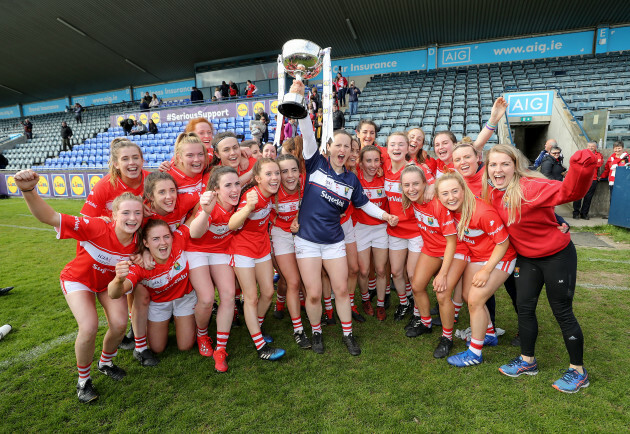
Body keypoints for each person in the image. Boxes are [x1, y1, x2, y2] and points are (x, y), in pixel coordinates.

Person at [13, 170, 143, 403]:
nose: (132, 217)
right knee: (89, 326)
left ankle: (106, 362)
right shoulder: (96, 226)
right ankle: (83, 381)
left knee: (120, 324)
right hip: (78, 279)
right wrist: (28, 190)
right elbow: (50, 217)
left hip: (107, 284)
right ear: (113, 215)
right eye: (125, 212)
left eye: (137, 213)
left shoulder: (138, 242)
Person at [289, 79, 397, 356]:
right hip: (307, 242)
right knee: (312, 293)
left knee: (340, 290)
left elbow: (365, 204)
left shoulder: (351, 179)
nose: (342, 150)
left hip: (334, 242)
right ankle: (316, 332)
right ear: (329, 147)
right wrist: (300, 99)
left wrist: (385, 214)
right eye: (338, 145)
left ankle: (348, 335)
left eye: (347, 147)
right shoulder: (316, 163)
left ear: (351, 152)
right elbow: (306, 130)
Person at [483, 144, 596, 393]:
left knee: (562, 312)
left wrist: (582, 166)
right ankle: (527, 361)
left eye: (504, 164)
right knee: (524, 309)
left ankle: (578, 371)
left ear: (516, 166)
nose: (498, 169)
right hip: (527, 259)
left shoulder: (530, 187)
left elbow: (569, 191)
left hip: (557, 256)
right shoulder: (490, 191)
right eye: (493, 164)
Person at [430, 172, 516, 366]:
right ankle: (489, 334)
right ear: (438, 196)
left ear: (463, 190)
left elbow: (503, 243)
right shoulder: (448, 209)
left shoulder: (481, 212)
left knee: (475, 300)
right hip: (477, 255)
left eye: (455, 191)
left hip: (500, 256)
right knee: (468, 296)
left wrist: (486, 270)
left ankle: (475, 353)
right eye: (445, 193)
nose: (450, 197)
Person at [108, 220, 196, 364]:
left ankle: (189, 322)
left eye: (166, 236)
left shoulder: (179, 240)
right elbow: (113, 294)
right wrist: (118, 280)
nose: (163, 243)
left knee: (185, 346)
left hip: (184, 298)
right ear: (146, 243)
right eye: (155, 239)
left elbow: (194, 215)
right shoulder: (140, 265)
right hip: (160, 303)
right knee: (157, 348)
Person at [228, 159, 287, 360]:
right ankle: (260, 347)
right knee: (251, 297)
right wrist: (248, 207)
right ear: (258, 178)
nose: (274, 178)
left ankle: (256, 327)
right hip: (242, 249)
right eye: (269, 174)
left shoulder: (272, 194)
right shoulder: (251, 196)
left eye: (276, 173)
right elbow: (232, 224)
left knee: (269, 292)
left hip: (261, 247)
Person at [187, 167, 241, 372]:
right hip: (196, 249)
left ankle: (221, 349)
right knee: (208, 298)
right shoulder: (210, 205)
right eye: (228, 185)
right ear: (216, 190)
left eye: (236, 184)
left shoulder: (239, 204)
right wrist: (206, 212)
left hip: (220, 250)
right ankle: (202, 334)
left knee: (228, 294)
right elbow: (194, 233)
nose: (234, 189)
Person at [353, 145, 389, 318]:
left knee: (381, 269)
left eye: (376, 160)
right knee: (364, 270)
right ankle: (366, 299)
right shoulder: (354, 178)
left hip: (381, 227)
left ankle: (381, 303)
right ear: (361, 163)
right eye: (368, 160)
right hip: (360, 227)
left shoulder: (385, 178)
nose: (373, 165)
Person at [82, 138, 148, 219]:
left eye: (135, 157)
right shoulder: (103, 186)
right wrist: (99, 222)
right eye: (125, 159)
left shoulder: (154, 180)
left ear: (142, 160)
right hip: (113, 231)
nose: (131, 162)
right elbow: (86, 221)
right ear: (116, 164)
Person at [573, 141, 603, 219]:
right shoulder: (581, 153)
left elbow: (599, 164)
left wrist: (586, 163)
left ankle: (584, 214)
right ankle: (576, 213)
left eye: (592, 146)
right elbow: (578, 163)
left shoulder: (599, 155)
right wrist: (592, 162)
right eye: (589, 146)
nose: (590, 147)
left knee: (588, 198)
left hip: (592, 179)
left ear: (595, 147)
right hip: (581, 178)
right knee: (577, 196)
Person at [600, 140, 628, 205]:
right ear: (613, 149)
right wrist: (602, 177)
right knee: (613, 198)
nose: (617, 150)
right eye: (615, 148)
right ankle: (613, 214)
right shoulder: (611, 159)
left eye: (619, 148)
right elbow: (607, 169)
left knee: (623, 199)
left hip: (624, 182)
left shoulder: (627, 158)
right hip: (613, 181)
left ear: (622, 148)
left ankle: (622, 214)